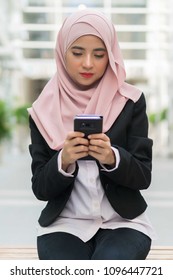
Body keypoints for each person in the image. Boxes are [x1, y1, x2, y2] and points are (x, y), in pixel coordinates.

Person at [28, 9, 156, 260]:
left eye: (99, 54)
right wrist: (63, 161)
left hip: (124, 223)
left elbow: (143, 177)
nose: (88, 63)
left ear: (111, 56)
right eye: (77, 53)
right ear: (62, 52)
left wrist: (112, 158)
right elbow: (40, 189)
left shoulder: (130, 102)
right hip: (64, 225)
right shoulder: (43, 110)